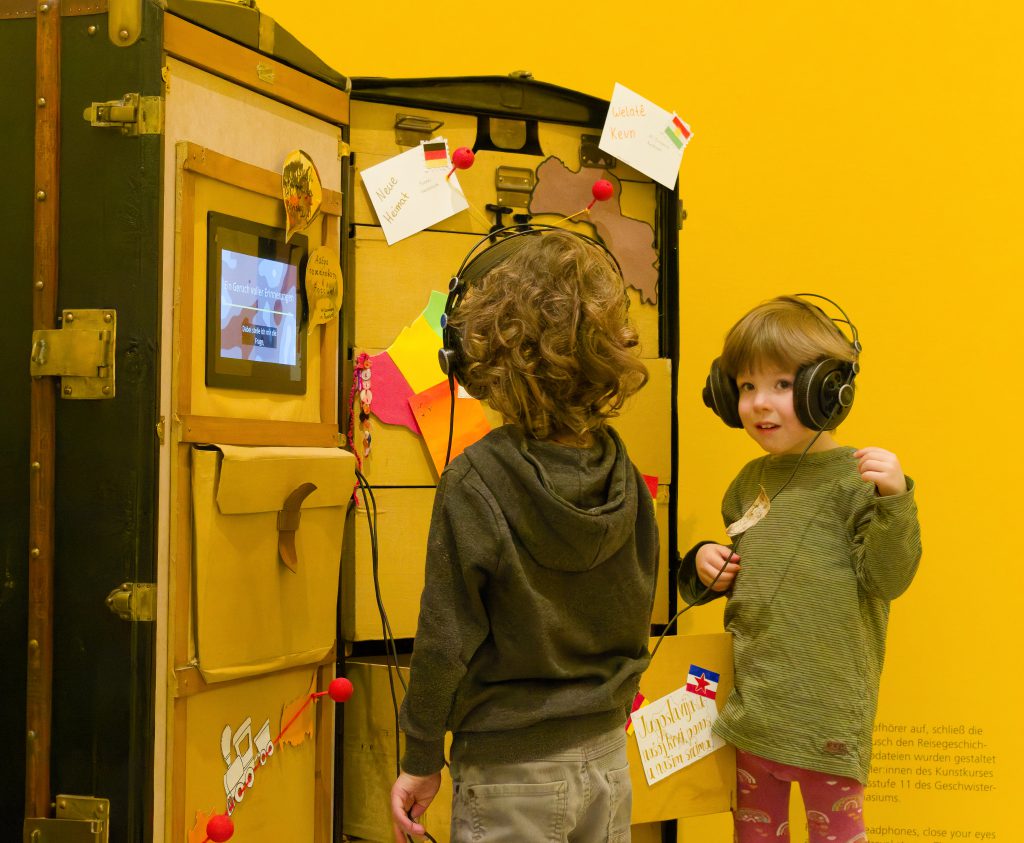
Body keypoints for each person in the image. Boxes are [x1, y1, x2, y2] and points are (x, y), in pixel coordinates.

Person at [389, 229, 659, 843]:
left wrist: (421, 756)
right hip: (608, 763)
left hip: (511, 770)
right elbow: (636, 613)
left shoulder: (475, 479)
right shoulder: (625, 477)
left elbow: (445, 637)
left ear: (481, 355)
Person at [678, 295, 922, 843]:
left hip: (828, 719)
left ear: (827, 390)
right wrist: (703, 565)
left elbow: (890, 579)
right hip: (753, 713)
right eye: (745, 387)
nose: (760, 404)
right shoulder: (746, 482)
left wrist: (896, 500)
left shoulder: (858, 481)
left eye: (782, 386)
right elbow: (741, 582)